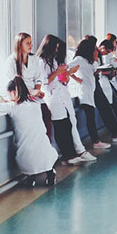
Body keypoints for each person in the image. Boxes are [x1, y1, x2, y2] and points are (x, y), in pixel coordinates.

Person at [0, 77, 58, 187]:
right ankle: (50, 174)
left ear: (13, 93)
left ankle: (31, 178)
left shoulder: (12, 108)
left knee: (29, 159)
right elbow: (22, 103)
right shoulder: (36, 105)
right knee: (44, 152)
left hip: (26, 158)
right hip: (46, 154)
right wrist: (7, 101)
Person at [35, 35, 95, 164]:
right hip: (52, 97)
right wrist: (58, 72)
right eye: (55, 48)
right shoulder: (40, 62)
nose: (57, 51)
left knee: (67, 125)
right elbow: (44, 83)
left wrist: (67, 74)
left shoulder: (53, 61)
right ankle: (67, 156)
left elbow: (59, 79)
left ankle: (71, 154)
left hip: (61, 94)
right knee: (60, 126)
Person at [3, 32, 51, 138]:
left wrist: (37, 91)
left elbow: (38, 78)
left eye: (31, 42)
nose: (31, 45)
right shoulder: (10, 62)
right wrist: (32, 92)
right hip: (19, 96)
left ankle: (47, 143)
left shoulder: (34, 59)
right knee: (32, 119)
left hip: (34, 95)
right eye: (27, 43)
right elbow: (14, 85)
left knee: (46, 113)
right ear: (19, 45)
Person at [70, 37, 111, 149]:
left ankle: (95, 141)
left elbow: (93, 70)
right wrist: (78, 80)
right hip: (84, 93)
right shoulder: (78, 59)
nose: (95, 51)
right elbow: (67, 69)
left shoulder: (88, 60)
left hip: (90, 91)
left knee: (91, 117)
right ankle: (95, 142)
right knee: (90, 118)